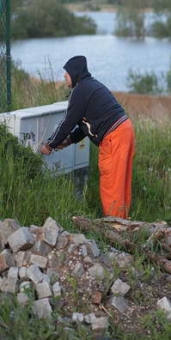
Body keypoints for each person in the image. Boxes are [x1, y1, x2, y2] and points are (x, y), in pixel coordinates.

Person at [40, 55, 135, 219]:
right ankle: (124, 222)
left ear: (75, 73)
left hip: (113, 137)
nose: (64, 76)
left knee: (111, 184)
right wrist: (69, 140)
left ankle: (116, 227)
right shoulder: (91, 86)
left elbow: (67, 122)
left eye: (67, 72)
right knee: (122, 182)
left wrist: (50, 145)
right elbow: (86, 125)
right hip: (125, 130)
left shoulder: (80, 91)